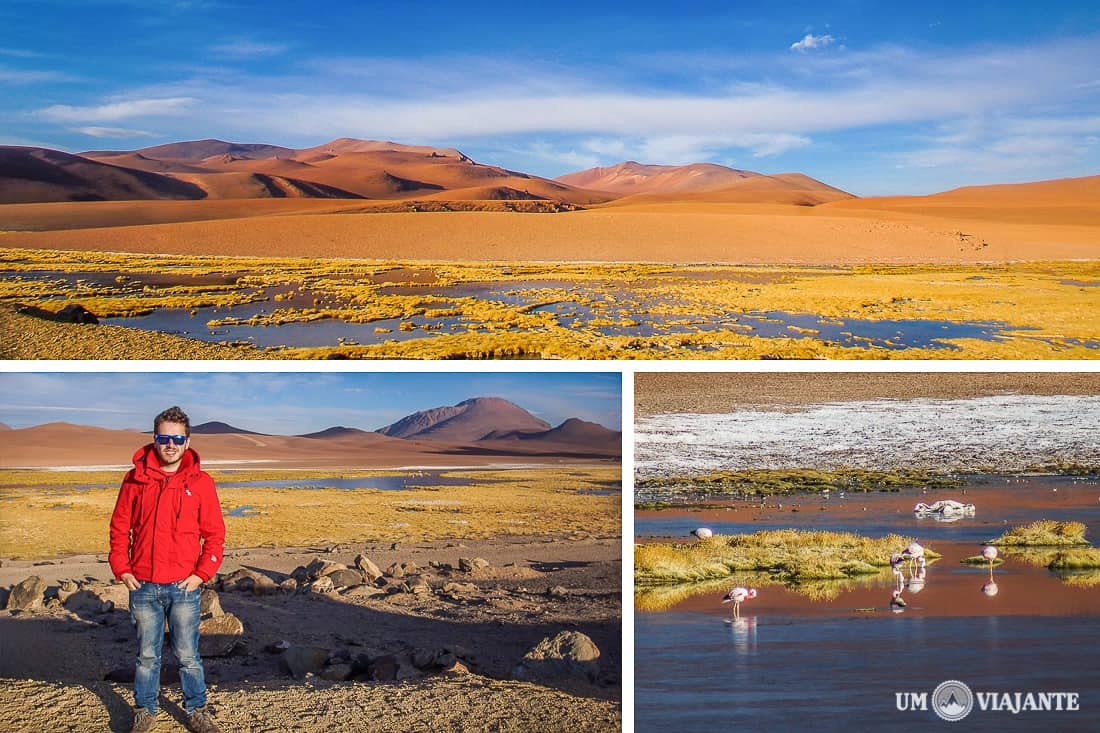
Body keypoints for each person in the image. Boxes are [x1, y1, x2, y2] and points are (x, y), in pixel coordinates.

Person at [109, 406, 225, 733]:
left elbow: (215, 534)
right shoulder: (135, 479)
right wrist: (122, 567)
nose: (170, 444)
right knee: (147, 656)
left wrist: (201, 574)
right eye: (164, 438)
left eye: (177, 438)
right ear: (154, 439)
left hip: (184, 587)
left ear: (187, 442)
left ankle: (197, 710)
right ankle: (146, 710)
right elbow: (119, 528)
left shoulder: (201, 483)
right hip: (143, 585)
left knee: (188, 655)